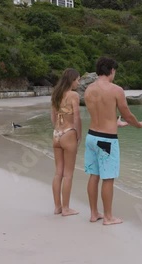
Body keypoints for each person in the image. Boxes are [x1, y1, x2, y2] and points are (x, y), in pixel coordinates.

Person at [84, 57, 142, 225]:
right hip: (106, 140)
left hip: (91, 136)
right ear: (111, 70)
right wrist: (138, 125)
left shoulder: (88, 89)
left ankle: (93, 213)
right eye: (115, 71)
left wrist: (114, 122)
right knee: (108, 178)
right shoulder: (116, 90)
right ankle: (108, 217)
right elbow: (127, 114)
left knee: (93, 175)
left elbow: (99, 113)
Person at [51, 68, 82, 216]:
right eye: (78, 79)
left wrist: (58, 129)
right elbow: (76, 117)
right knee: (68, 174)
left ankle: (57, 207)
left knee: (58, 173)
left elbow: (53, 117)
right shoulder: (73, 95)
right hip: (68, 133)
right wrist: (78, 135)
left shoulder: (56, 94)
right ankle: (66, 208)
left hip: (56, 134)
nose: (79, 82)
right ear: (72, 80)